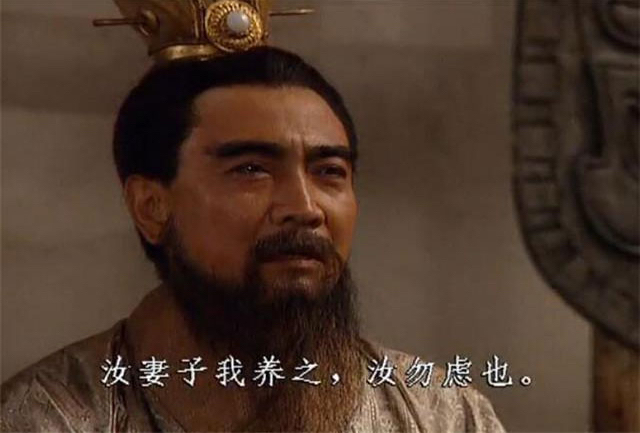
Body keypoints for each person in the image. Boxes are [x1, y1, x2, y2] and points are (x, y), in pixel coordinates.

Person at [1, 45, 504, 432]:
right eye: (250, 170)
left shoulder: (442, 412)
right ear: (151, 206)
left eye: (329, 172)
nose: (304, 208)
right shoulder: (49, 417)